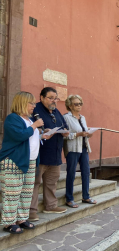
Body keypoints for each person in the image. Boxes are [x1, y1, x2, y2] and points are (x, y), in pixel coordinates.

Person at [0, 92, 51, 234]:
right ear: (22, 103)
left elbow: (30, 138)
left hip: (30, 161)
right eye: (31, 103)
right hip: (14, 161)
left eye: (34, 103)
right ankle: (9, 222)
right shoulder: (12, 119)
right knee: (12, 193)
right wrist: (35, 125)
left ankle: (21, 219)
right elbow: (19, 135)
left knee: (26, 192)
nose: (34, 106)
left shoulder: (29, 120)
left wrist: (42, 134)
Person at [29, 87, 70, 221]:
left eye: (55, 98)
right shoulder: (35, 110)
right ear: (41, 97)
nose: (54, 101)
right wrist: (43, 131)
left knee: (51, 182)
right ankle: (31, 211)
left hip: (55, 153)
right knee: (34, 183)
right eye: (50, 98)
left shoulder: (56, 111)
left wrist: (65, 131)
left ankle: (51, 206)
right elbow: (31, 128)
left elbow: (64, 126)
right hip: (40, 154)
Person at [63, 95, 96, 208]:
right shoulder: (66, 117)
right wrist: (78, 134)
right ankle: (69, 198)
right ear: (70, 106)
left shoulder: (82, 118)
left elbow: (85, 132)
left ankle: (86, 196)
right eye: (76, 104)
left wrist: (89, 134)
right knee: (71, 173)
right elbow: (64, 135)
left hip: (84, 147)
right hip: (72, 149)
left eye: (80, 103)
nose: (79, 106)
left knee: (86, 172)